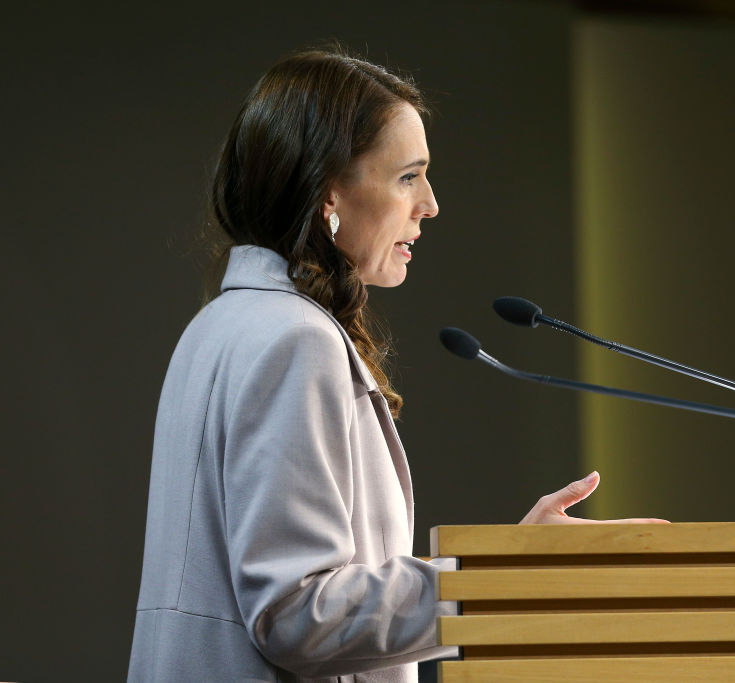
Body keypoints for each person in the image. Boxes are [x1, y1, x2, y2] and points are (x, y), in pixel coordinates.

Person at [128, 47, 662, 682]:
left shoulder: (218, 325)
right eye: (408, 177)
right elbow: (297, 613)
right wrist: (508, 576)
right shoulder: (295, 341)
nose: (430, 204)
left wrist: (514, 565)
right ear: (329, 191)